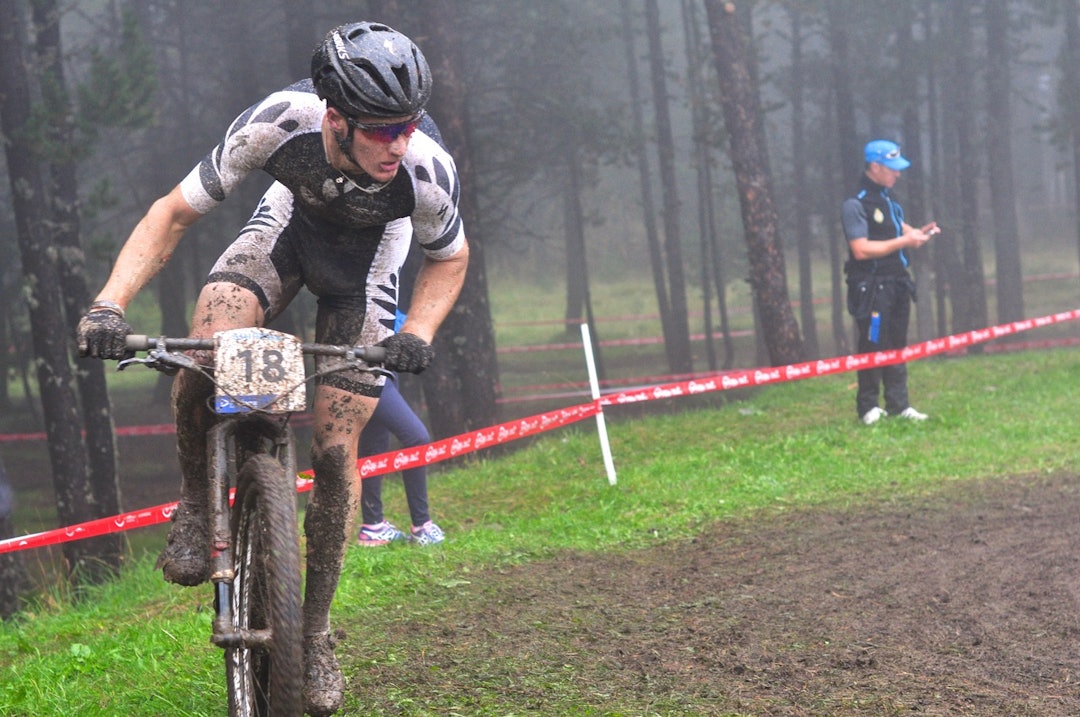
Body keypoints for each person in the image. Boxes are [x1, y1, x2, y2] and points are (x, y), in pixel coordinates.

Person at [76, 21, 469, 716]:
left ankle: (313, 632)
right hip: (290, 226)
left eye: (407, 124)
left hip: (370, 263)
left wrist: (418, 329)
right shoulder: (278, 123)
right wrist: (110, 304)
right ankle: (197, 505)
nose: (399, 142)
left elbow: (451, 257)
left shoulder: (424, 168)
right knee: (210, 333)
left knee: (336, 444)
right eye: (381, 129)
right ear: (337, 118)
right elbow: (171, 214)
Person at [842, 139, 937, 426]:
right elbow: (860, 248)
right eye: (892, 169)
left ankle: (899, 404)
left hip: (897, 284)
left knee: (896, 343)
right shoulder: (855, 204)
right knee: (872, 342)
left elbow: (903, 234)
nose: (897, 174)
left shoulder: (890, 202)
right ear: (875, 167)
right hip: (871, 289)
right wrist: (905, 241)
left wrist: (919, 235)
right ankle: (868, 407)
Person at [356, 369, 444, 547]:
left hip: (383, 370)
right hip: (368, 373)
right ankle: (422, 526)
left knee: (374, 444)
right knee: (417, 438)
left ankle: (373, 526)